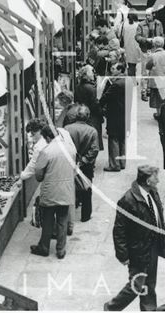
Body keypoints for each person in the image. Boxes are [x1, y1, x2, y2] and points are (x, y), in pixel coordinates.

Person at [106, 165, 165, 311]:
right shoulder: (127, 200)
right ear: (147, 181)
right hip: (138, 250)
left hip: (152, 246)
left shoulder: (153, 193)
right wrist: (123, 255)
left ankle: (149, 309)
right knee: (136, 285)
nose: (158, 180)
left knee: (150, 284)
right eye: (155, 177)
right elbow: (119, 230)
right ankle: (111, 308)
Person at [31, 125, 77, 259]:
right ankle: (61, 250)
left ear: (47, 137)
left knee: (48, 219)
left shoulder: (46, 151)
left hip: (50, 191)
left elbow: (38, 174)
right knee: (62, 219)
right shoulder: (70, 148)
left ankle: (44, 247)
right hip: (66, 190)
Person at [64, 105, 99, 222]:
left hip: (70, 163)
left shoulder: (67, 129)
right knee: (86, 187)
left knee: (70, 186)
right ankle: (86, 215)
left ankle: (70, 214)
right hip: (86, 165)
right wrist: (83, 160)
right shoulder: (92, 131)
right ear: (88, 116)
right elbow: (94, 150)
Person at [100, 62, 128, 172]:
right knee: (122, 139)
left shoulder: (116, 84)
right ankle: (122, 162)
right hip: (124, 113)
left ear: (120, 70)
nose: (112, 71)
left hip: (115, 114)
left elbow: (105, 97)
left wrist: (99, 104)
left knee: (113, 139)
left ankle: (114, 164)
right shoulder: (127, 81)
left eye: (114, 69)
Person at [136, 8, 165, 100]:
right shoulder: (141, 24)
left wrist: (159, 40)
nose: (147, 17)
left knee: (154, 71)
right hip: (145, 50)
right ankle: (143, 91)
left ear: (153, 15)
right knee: (144, 72)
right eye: (146, 15)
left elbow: (162, 34)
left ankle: (149, 89)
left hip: (155, 50)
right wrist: (146, 40)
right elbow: (137, 37)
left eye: (149, 15)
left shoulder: (159, 24)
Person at [75, 64, 104, 151]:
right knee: (93, 140)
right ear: (87, 74)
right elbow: (95, 104)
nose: (93, 74)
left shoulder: (78, 86)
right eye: (92, 72)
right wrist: (101, 113)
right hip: (93, 116)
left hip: (83, 113)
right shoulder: (91, 88)